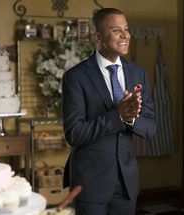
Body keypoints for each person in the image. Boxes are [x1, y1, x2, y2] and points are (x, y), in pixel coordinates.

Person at [61, 8, 157, 215]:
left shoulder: (138, 73)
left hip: (126, 183)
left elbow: (150, 127)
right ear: (98, 36)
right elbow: (74, 134)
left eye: (127, 29)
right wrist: (118, 115)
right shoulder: (75, 77)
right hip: (90, 183)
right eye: (116, 30)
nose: (125, 35)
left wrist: (131, 119)